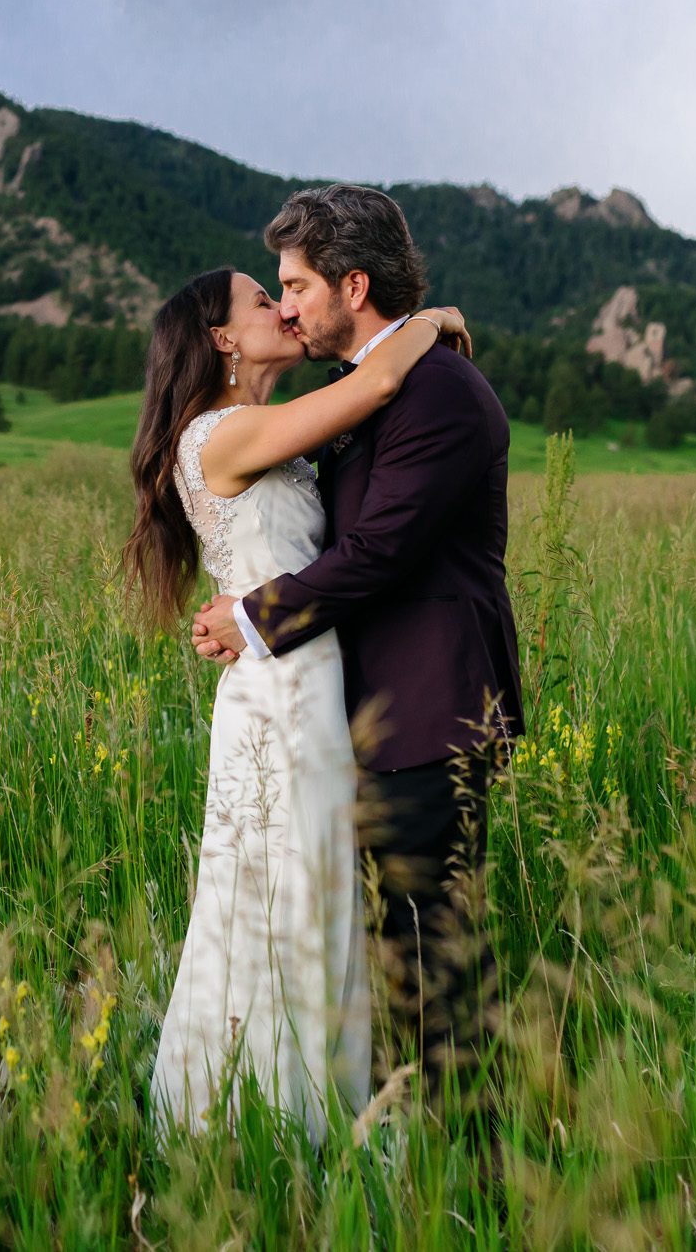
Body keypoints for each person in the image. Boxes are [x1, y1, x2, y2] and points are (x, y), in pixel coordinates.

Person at [191, 184, 524, 1156]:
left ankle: (478, 1175)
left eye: (295, 285)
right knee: (383, 961)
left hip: (429, 712)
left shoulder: (439, 391)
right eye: (275, 291)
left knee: (434, 961)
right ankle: (396, 1147)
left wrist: (252, 617)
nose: (285, 307)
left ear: (353, 282)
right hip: (361, 720)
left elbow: (376, 551)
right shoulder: (375, 383)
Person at [121, 258, 468, 1146]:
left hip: (303, 683)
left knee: (303, 896)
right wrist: (435, 320)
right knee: (280, 897)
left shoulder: (260, 428)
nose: (281, 307)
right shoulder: (221, 436)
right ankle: (275, 1123)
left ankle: (291, 1111)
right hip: (280, 694)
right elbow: (383, 374)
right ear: (223, 338)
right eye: (260, 299)